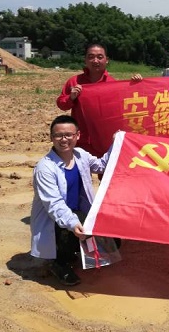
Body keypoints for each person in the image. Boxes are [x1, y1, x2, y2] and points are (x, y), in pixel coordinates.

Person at [30, 115, 112, 286]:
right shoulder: (45, 168)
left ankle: (74, 249)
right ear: (51, 137)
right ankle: (59, 263)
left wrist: (116, 144)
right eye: (58, 135)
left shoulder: (80, 155)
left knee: (113, 241)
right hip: (56, 219)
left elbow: (101, 165)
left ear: (77, 135)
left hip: (78, 212)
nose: (63, 139)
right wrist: (73, 223)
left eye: (68, 135)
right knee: (74, 229)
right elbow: (54, 204)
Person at [56, 44, 115, 153]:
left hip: (104, 139)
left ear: (107, 60)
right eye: (91, 57)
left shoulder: (113, 84)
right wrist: (71, 98)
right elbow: (61, 104)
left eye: (100, 57)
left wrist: (136, 84)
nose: (95, 60)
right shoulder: (74, 81)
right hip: (81, 139)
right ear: (85, 60)